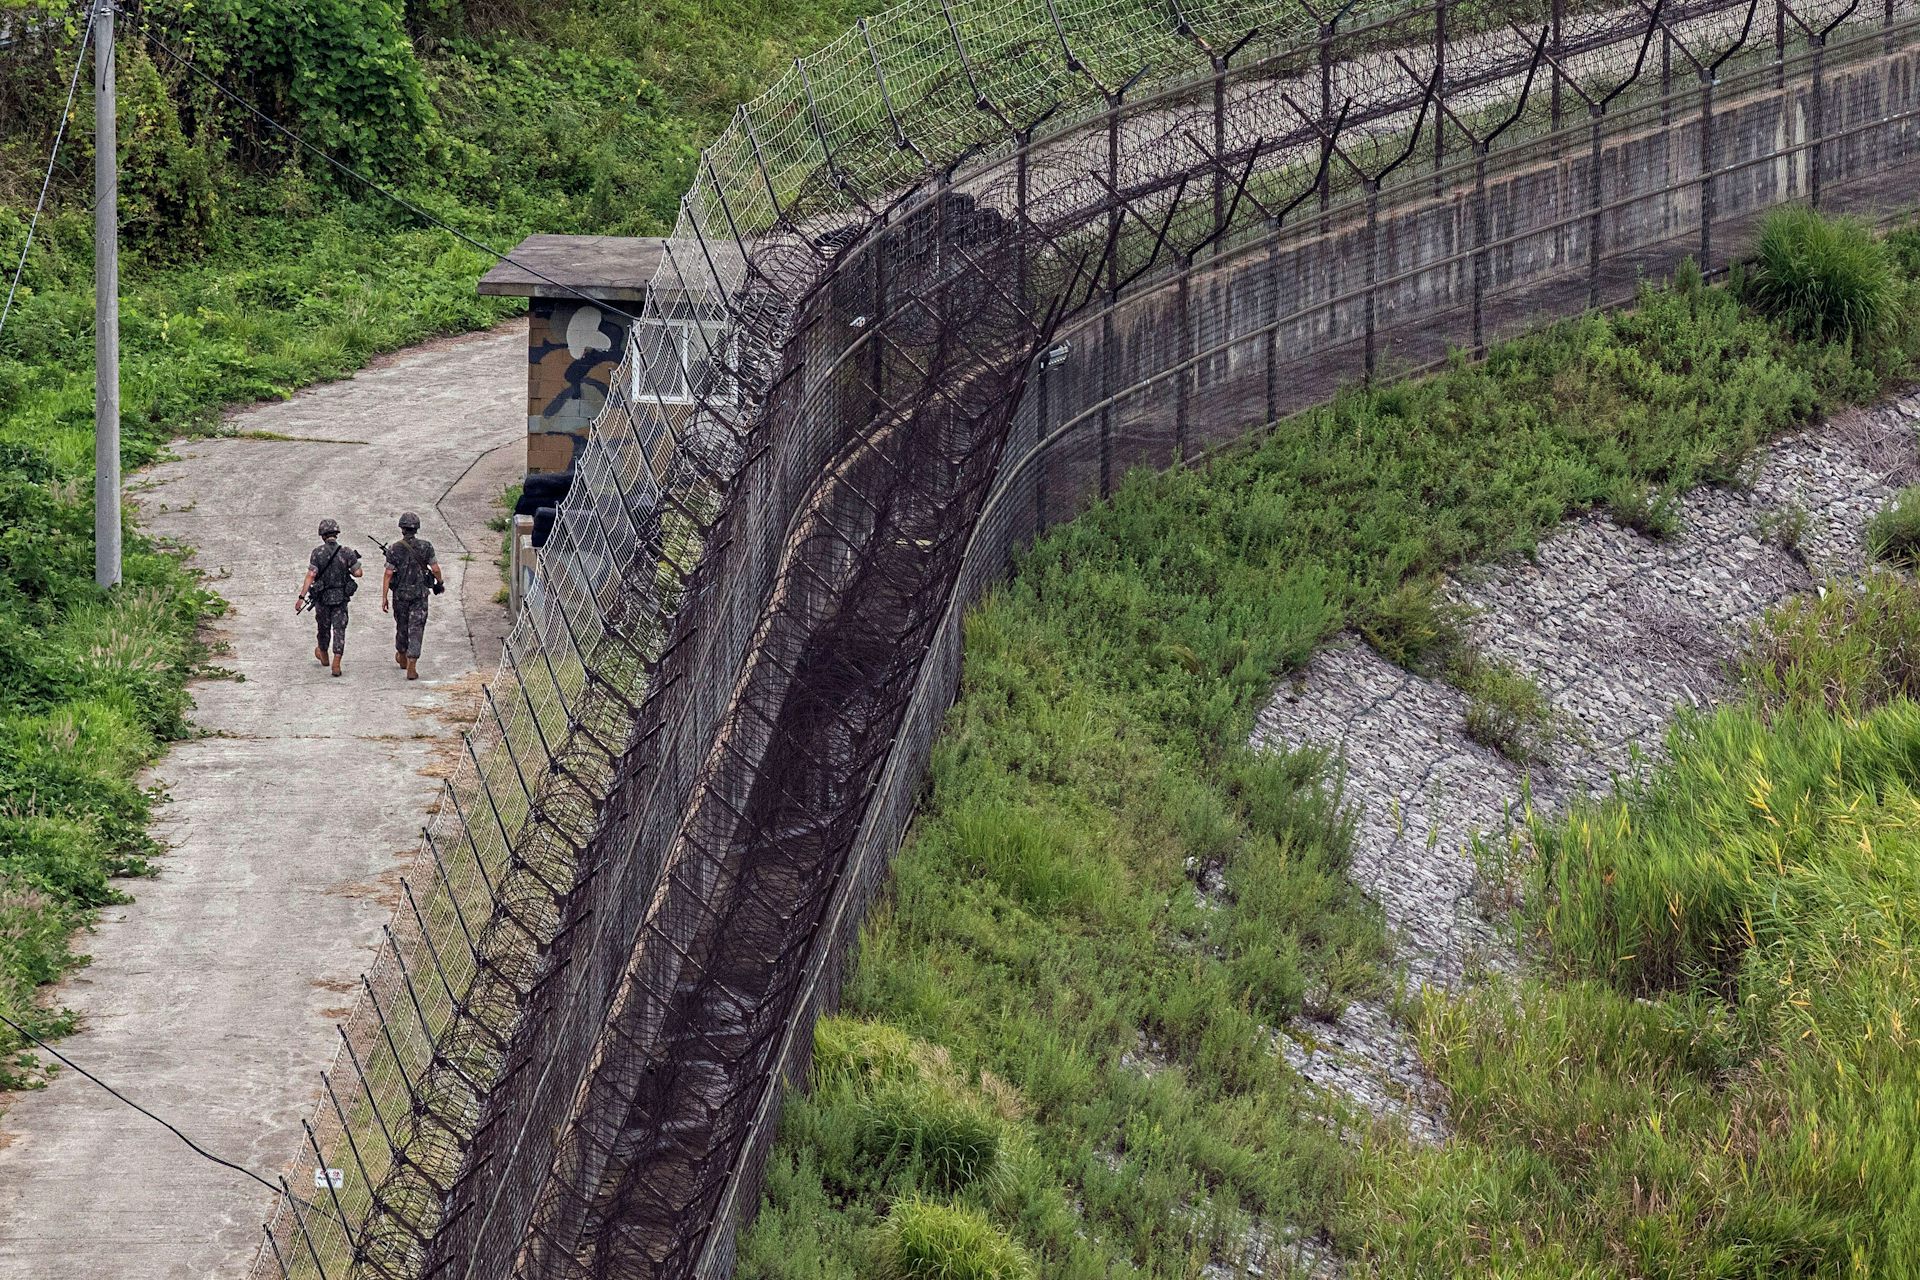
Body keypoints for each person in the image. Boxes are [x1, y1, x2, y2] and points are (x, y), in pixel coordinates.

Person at [295, 518, 363, 677]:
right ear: (336, 533)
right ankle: (336, 663)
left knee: (323, 627)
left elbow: (311, 575)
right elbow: (358, 573)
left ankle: (324, 655)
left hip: (323, 598)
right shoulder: (346, 552)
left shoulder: (317, 552)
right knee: (339, 629)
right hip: (340, 598)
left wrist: (301, 597)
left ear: (322, 535)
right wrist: (350, 564)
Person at [382, 511, 444, 681]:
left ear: (401, 528)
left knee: (402, 625)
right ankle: (412, 664)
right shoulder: (426, 546)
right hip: (419, 596)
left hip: (400, 596)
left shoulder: (394, 548)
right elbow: (435, 568)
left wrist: (384, 597)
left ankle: (402, 655)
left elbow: (388, 574)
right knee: (416, 629)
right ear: (417, 528)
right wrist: (440, 581)